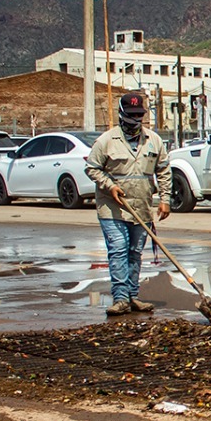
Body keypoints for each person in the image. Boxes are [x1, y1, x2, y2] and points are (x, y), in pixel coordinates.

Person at [86, 92, 172, 316]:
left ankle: (133, 296)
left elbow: (163, 170)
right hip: (113, 208)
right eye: (132, 115)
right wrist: (110, 186)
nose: (136, 120)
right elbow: (92, 168)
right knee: (118, 251)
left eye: (139, 115)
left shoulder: (153, 140)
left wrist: (165, 200)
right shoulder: (106, 141)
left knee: (134, 252)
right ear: (122, 114)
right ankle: (121, 298)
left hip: (141, 207)